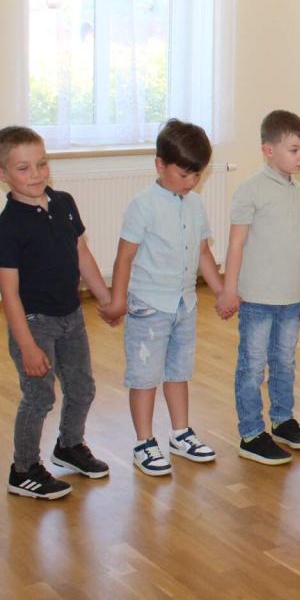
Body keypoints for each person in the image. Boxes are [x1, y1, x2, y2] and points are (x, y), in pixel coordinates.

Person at [0, 126, 112, 500]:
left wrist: (105, 298)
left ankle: (69, 446)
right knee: (39, 398)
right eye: (23, 168)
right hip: (35, 324)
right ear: (2, 174)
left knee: (82, 388)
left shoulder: (63, 203)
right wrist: (27, 345)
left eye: (41, 164)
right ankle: (23, 469)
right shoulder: (7, 226)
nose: (36, 174)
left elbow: (81, 253)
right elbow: (9, 294)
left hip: (72, 317)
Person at [99, 119, 225, 476]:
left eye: (197, 174)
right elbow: (124, 257)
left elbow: (203, 252)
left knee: (179, 372)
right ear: (159, 164)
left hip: (184, 304)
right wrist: (117, 300)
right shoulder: (143, 206)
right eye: (184, 174)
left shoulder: (195, 205)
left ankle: (180, 433)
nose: (192, 182)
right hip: (148, 306)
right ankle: (144, 441)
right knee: (144, 376)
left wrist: (221, 291)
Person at [216, 110, 300, 466]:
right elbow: (236, 244)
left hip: (290, 296)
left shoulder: (299, 193)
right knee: (253, 365)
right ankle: (252, 433)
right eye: (294, 149)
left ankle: (282, 420)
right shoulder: (250, 190)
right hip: (258, 297)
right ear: (268, 150)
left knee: (285, 361)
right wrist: (229, 289)